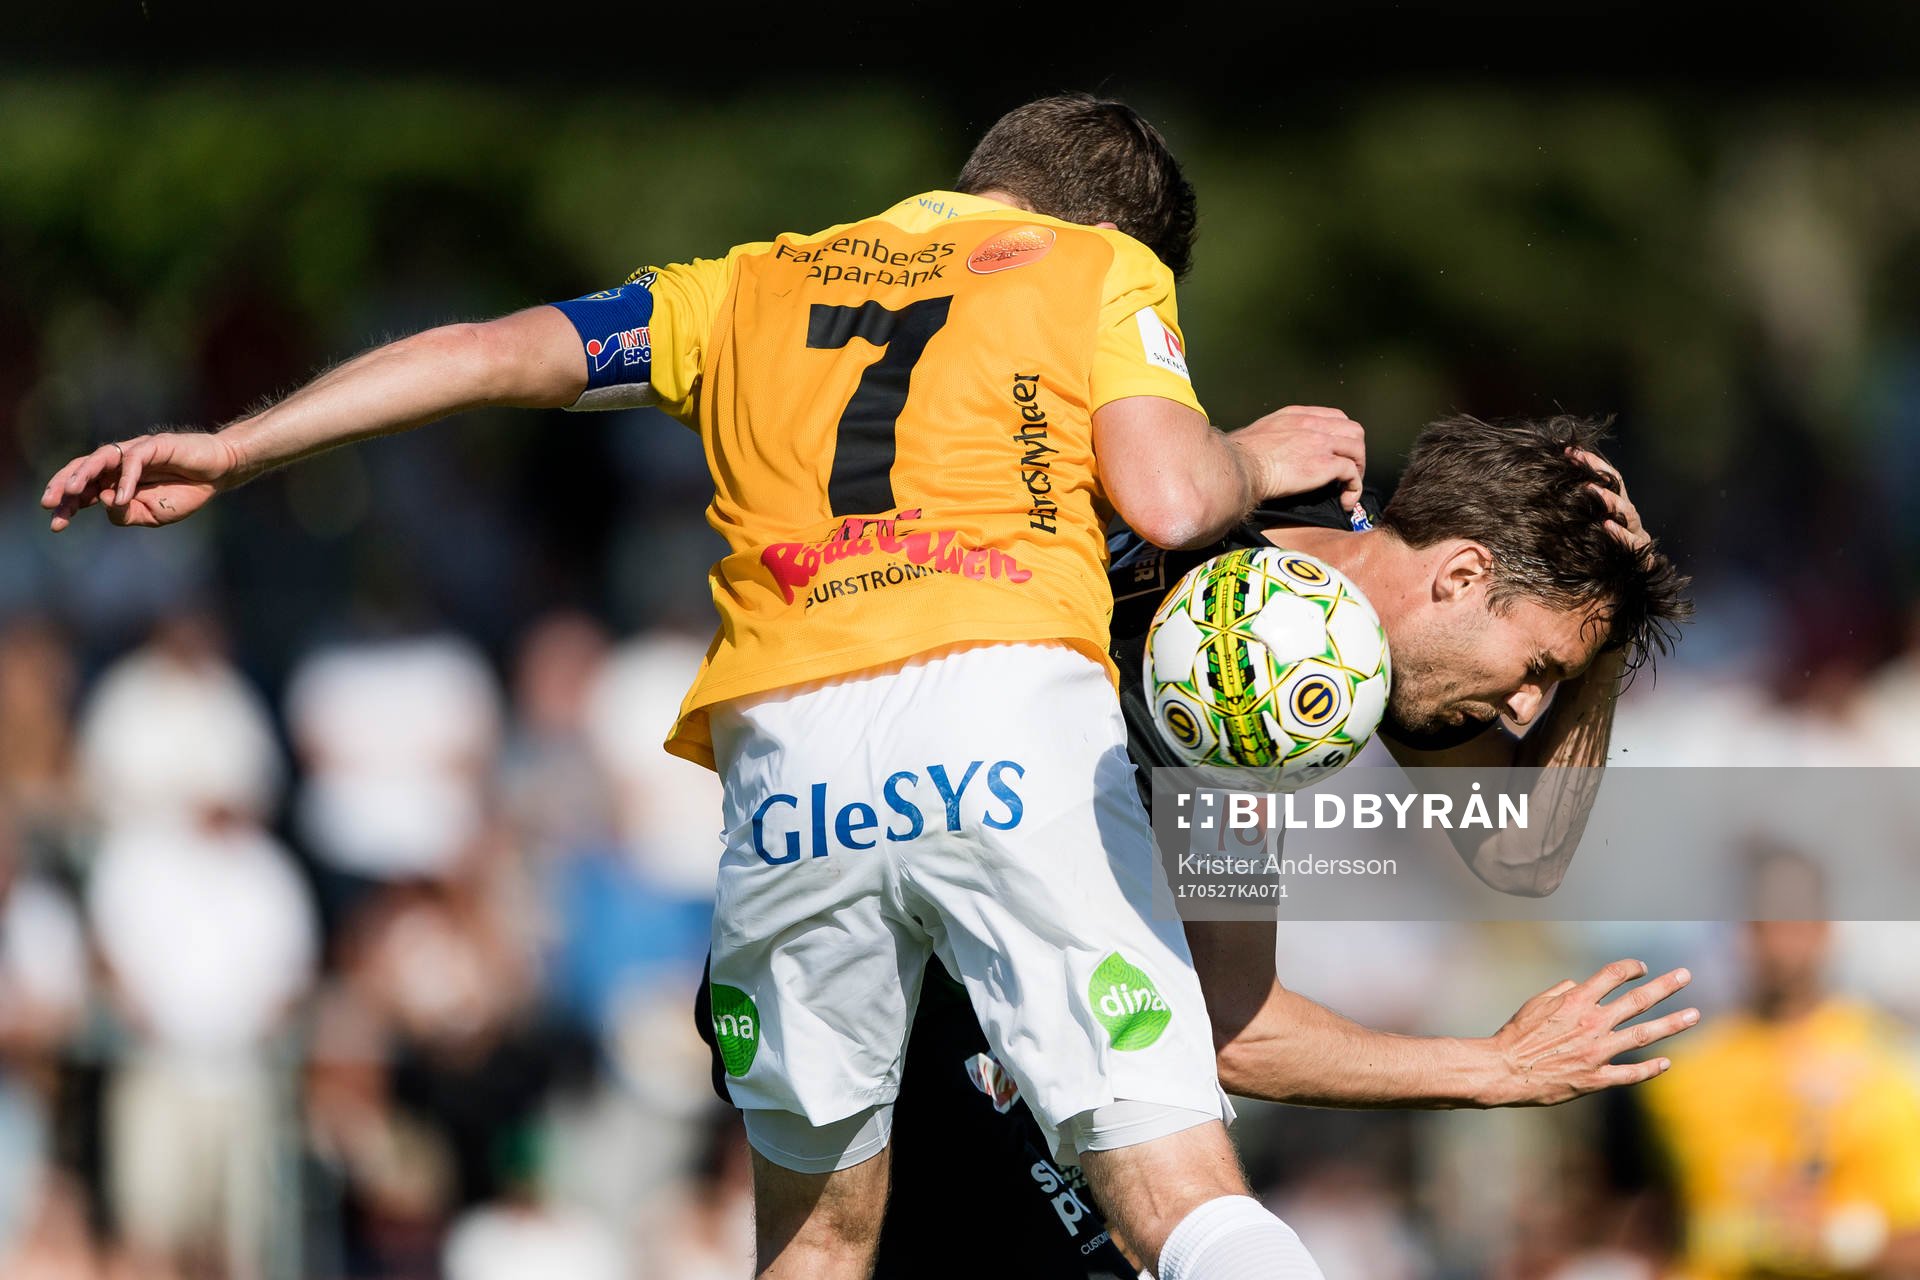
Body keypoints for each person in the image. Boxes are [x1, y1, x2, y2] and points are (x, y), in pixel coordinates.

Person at [40, 94, 1377, 1279]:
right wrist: (1254, 458)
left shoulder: (745, 284)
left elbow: (492, 352)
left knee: (814, 1239)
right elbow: (1169, 491)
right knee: (1174, 1195)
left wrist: (238, 446)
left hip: (785, 760)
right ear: (1115, 223)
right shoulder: (1099, 265)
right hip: (1002, 698)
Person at [700, 411, 1699, 1275]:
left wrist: (1605, 641)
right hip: (920, 994)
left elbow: (1519, 849)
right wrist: (1493, 1068)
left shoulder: (1310, 560)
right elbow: (1229, 1028)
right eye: (1538, 664)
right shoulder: (1264, 658)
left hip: (841, 909)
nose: (1530, 705)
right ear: (1463, 573)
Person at [1639, 846, 1920, 1279]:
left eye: (1795, 920)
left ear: (1827, 928)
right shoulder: (1679, 1072)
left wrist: (1839, 1239)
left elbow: (1911, 1238)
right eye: (1762, 922)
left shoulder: (1888, 1065)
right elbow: (1642, 1222)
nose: (1779, 942)